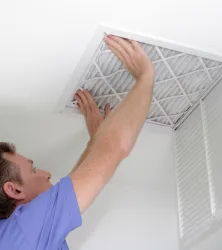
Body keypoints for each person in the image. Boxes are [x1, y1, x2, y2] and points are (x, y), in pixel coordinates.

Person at [0, 35, 155, 249]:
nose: (46, 173)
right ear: (15, 190)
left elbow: (71, 189)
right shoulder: (23, 231)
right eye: (33, 169)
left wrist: (96, 141)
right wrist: (145, 77)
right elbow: (113, 146)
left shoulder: (14, 237)